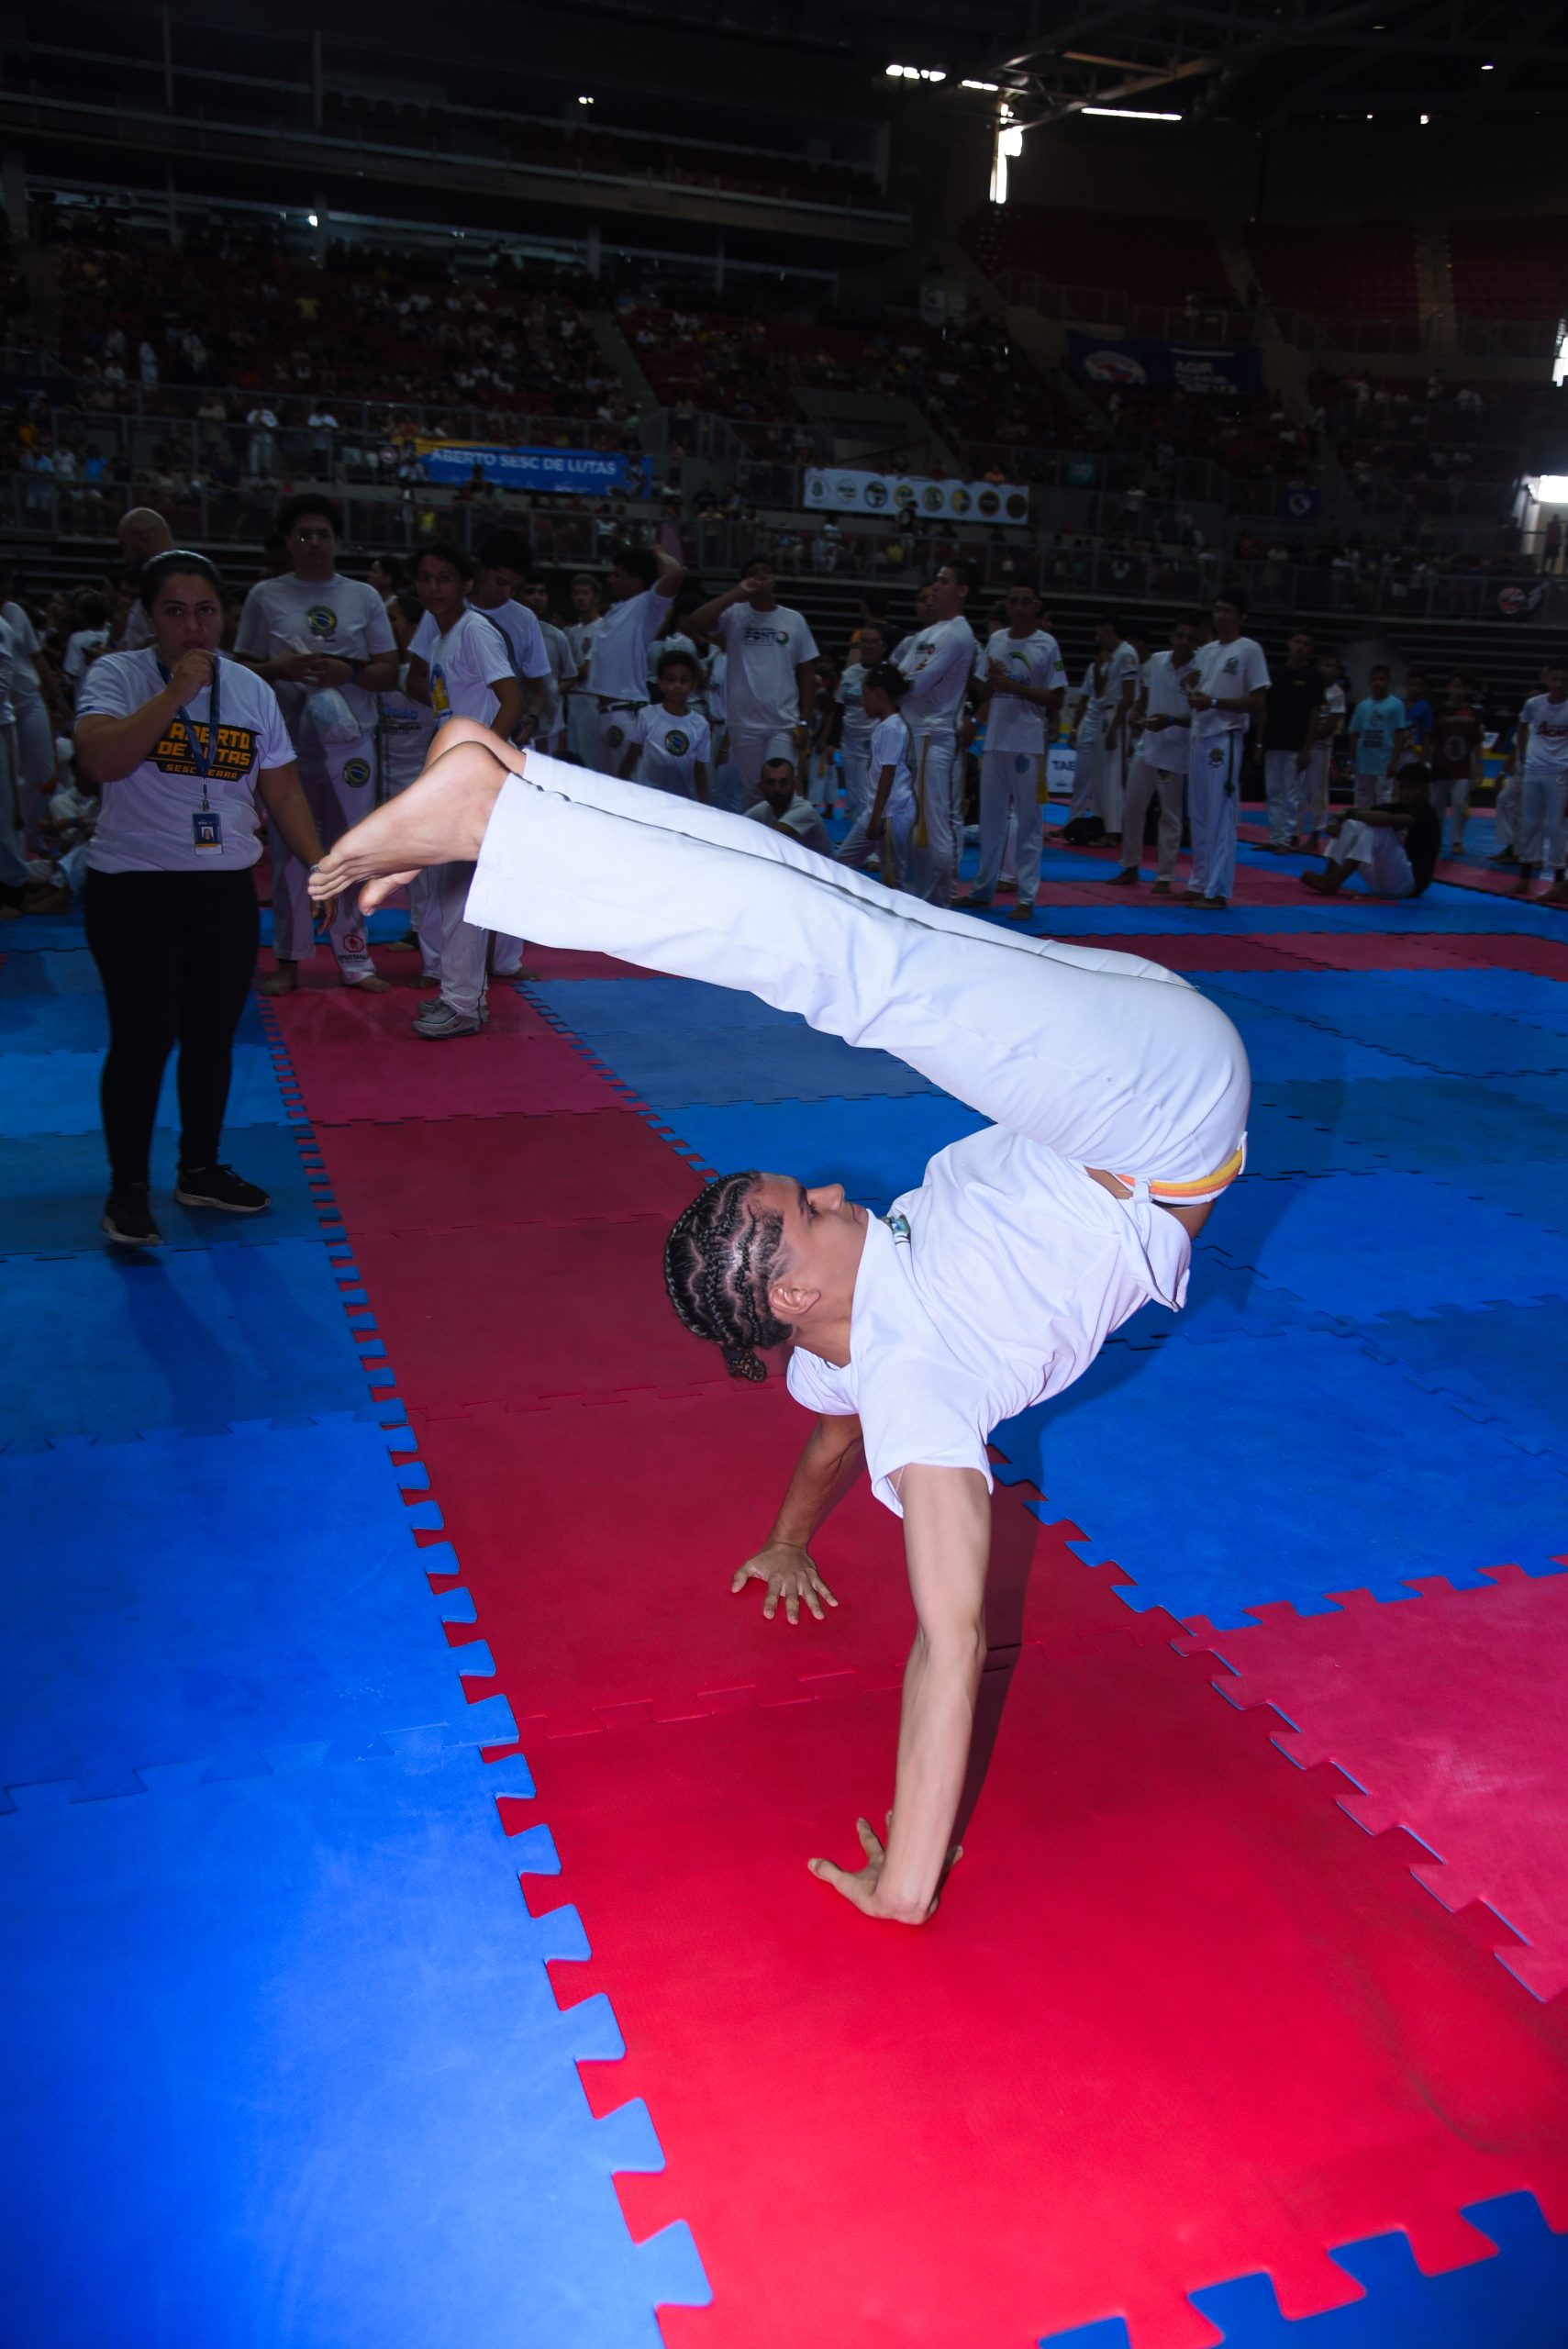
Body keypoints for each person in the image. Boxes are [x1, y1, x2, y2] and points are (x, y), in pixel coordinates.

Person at [308, 731, 1250, 1927]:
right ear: (793, 1297)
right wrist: (905, 1882)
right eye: (811, 1212)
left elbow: (830, 1437)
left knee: (850, 910)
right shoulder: (919, 1393)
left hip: (1111, 1071)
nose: (841, 1194)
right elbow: (949, 1636)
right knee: (862, 969)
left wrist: (787, 1540)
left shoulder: (837, 1364)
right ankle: (502, 820)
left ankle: (525, 780)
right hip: (1149, 1118)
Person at [72, 550, 338, 1247]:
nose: (193, 627)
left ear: (224, 615)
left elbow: (282, 791)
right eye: (175, 612)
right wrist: (174, 696)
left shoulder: (250, 690)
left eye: (206, 611)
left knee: (212, 1038)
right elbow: (100, 761)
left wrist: (320, 865)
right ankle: (127, 1188)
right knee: (142, 1039)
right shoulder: (117, 675)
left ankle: (200, 1167)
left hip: (223, 887)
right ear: (149, 617)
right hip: (134, 886)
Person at [233, 492, 397, 996]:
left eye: (323, 534)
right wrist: (278, 668)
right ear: (288, 541)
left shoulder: (362, 597)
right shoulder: (266, 596)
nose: (314, 543)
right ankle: (288, 957)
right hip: (286, 745)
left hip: (351, 742)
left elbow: (388, 671)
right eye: (304, 534)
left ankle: (355, 957)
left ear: (336, 541)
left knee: (351, 848)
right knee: (289, 853)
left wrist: (348, 672)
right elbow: (240, 670)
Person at [405, 539, 525, 1039]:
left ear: (466, 585)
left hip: (477, 775)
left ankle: (464, 1002)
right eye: (426, 578)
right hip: (455, 771)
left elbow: (513, 699)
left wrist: (484, 758)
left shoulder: (474, 630)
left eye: (445, 578)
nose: (434, 588)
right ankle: (459, 993)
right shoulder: (441, 637)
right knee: (451, 887)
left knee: (463, 889)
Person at [962, 582, 1064, 921]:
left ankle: (1026, 896)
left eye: (1026, 602)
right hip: (995, 740)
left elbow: (1056, 699)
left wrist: (1011, 686)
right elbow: (983, 690)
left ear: (1035, 606)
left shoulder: (1046, 644)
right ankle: (982, 890)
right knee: (990, 820)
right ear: (1007, 605)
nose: (1019, 607)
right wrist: (990, 682)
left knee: (1029, 822)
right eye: (1013, 601)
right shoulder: (996, 640)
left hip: (1027, 743)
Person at [686, 559, 818, 802]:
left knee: (784, 789)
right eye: (753, 573)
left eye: (766, 571)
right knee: (755, 791)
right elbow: (697, 620)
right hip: (744, 722)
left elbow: (807, 673)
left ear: (774, 579)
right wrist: (738, 593)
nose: (760, 576)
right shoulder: (735, 615)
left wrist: (804, 721)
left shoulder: (794, 620)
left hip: (783, 721)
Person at [1181, 590, 1270, 912]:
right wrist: (1191, 688)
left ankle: (1217, 890)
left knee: (1221, 814)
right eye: (1218, 610)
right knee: (1199, 813)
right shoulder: (1205, 651)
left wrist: (1214, 702)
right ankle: (1199, 882)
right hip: (1199, 734)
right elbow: (1198, 691)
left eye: (1229, 611)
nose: (1221, 616)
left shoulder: (1249, 649)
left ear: (1242, 617)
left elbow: (1258, 702)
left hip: (1225, 737)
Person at [895, 562, 978, 905]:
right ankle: (919, 895)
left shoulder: (958, 633)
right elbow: (900, 674)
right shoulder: (926, 634)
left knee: (933, 826)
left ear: (962, 591)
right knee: (914, 822)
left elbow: (913, 683)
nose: (936, 587)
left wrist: (888, 685)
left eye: (944, 581)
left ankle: (939, 902)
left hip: (933, 733)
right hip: (912, 732)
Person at [1111, 617, 1198, 895]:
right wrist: (1136, 714)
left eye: (1190, 638)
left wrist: (1171, 720)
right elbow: (1143, 699)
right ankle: (1130, 865)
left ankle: (1165, 875)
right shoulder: (1156, 662)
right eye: (1180, 635)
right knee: (1132, 807)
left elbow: (1201, 715)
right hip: (1147, 745)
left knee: (1170, 815)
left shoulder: (1201, 668)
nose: (1184, 642)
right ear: (1172, 637)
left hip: (1176, 749)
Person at [584, 543, 685, 775]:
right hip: (606, 713)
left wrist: (656, 552)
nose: (610, 580)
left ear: (636, 581)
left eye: (617, 575)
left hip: (625, 713)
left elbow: (675, 575)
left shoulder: (646, 605)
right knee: (607, 788)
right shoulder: (616, 610)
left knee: (631, 786)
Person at [1300, 762, 1440, 900]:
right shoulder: (1397, 807)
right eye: (1402, 788)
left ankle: (1335, 881)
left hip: (1408, 885)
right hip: (1383, 879)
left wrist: (1348, 814)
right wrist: (1337, 821)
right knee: (1352, 824)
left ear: (1426, 789)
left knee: (1377, 829)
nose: (1406, 793)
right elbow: (1353, 812)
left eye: (1413, 788)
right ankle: (1329, 875)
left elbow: (1384, 820)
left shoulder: (1426, 814)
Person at [1066, 614, 1138, 842]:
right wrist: (1098, 668)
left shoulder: (1126, 653)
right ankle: (1101, 825)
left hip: (1116, 714)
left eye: (1099, 633)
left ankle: (1114, 832)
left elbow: (1128, 695)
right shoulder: (1109, 657)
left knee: (1113, 775)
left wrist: (1116, 728)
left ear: (1109, 630)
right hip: (1103, 714)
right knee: (1100, 776)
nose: (1097, 638)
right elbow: (1098, 692)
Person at [1260, 628, 1324, 851]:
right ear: (1289, 643)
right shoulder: (1276, 674)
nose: (1300, 647)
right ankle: (1274, 837)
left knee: (1291, 793)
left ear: (1311, 649)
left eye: (1306, 643)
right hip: (1273, 740)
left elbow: (1314, 713)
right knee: (1273, 791)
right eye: (1297, 641)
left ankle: (1286, 839)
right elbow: (1266, 709)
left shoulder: (1313, 676)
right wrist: (1260, 742)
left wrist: (1307, 747)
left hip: (1297, 743)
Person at [617, 649, 711, 800]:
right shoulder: (647, 715)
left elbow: (700, 771)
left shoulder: (701, 725)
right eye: (671, 680)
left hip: (682, 798)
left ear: (693, 684)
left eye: (684, 680)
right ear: (661, 683)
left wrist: (704, 803)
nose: (677, 685)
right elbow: (631, 755)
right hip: (647, 795)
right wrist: (620, 787)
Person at [1511, 660, 1568, 902]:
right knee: (1530, 824)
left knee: (1556, 827)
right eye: (1555, 679)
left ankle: (1558, 882)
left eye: (1564, 680)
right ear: (1548, 679)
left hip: (1559, 772)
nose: (1559, 684)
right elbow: (1522, 724)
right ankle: (1524, 876)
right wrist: (1523, 755)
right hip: (1534, 769)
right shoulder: (1534, 704)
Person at [836, 620, 887, 826]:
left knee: (869, 793)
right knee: (852, 793)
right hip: (850, 742)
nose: (868, 646)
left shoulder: (888, 674)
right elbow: (839, 707)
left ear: (883, 646)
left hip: (875, 743)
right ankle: (856, 833)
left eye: (874, 642)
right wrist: (831, 741)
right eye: (864, 641)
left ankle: (870, 837)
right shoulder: (849, 674)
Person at [521, 573, 578, 756]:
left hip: (550, 724)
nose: (537, 597)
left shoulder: (556, 636)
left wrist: (552, 691)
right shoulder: (502, 633)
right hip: (513, 720)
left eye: (542, 592)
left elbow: (570, 676)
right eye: (530, 592)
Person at [1428, 674, 1484, 859]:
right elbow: (1431, 738)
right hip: (1440, 765)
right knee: (1436, 805)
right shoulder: (1439, 711)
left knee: (1459, 804)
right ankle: (1435, 838)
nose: (1458, 691)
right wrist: (1426, 761)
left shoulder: (1472, 713)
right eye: (1455, 686)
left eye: (1462, 687)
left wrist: (1479, 764)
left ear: (1467, 690)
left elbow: (1476, 741)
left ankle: (1457, 840)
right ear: (1449, 687)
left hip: (1463, 766)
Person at [744, 751, 831, 853]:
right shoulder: (763, 808)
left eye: (784, 782)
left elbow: (772, 836)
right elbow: (738, 826)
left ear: (794, 785)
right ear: (761, 786)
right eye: (770, 782)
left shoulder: (805, 810)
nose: (777, 788)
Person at [1347, 663, 1408, 807]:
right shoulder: (1362, 706)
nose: (1377, 683)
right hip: (1363, 764)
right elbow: (1354, 735)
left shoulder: (1396, 705)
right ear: (1369, 682)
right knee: (1362, 802)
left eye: (1381, 679)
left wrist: (1394, 763)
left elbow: (1400, 736)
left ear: (1389, 681)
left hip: (1384, 764)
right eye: (1374, 679)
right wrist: (1351, 762)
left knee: (1384, 803)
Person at [115, 507, 174, 652]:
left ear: (142, 535)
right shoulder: (151, 583)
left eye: (124, 546)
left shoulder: (187, 579)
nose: (125, 557)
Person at [563, 573, 603, 765]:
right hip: (572, 698)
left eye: (586, 593)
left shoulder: (603, 629)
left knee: (590, 757)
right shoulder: (572, 631)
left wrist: (558, 688)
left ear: (596, 597)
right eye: (576, 593)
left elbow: (587, 669)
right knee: (572, 757)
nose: (580, 597)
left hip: (591, 699)